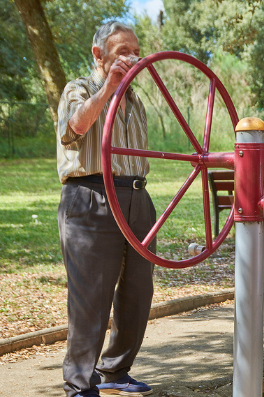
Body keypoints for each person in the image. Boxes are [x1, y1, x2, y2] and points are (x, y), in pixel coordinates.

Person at [56, 22, 155, 397]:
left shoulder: (135, 100)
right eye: (122, 51)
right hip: (91, 196)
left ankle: (115, 370)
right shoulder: (79, 88)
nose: (132, 57)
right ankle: (80, 384)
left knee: (137, 291)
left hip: (135, 196)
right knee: (91, 297)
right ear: (99, 55)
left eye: (136, 49)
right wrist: (109, 89)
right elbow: (76, 128)